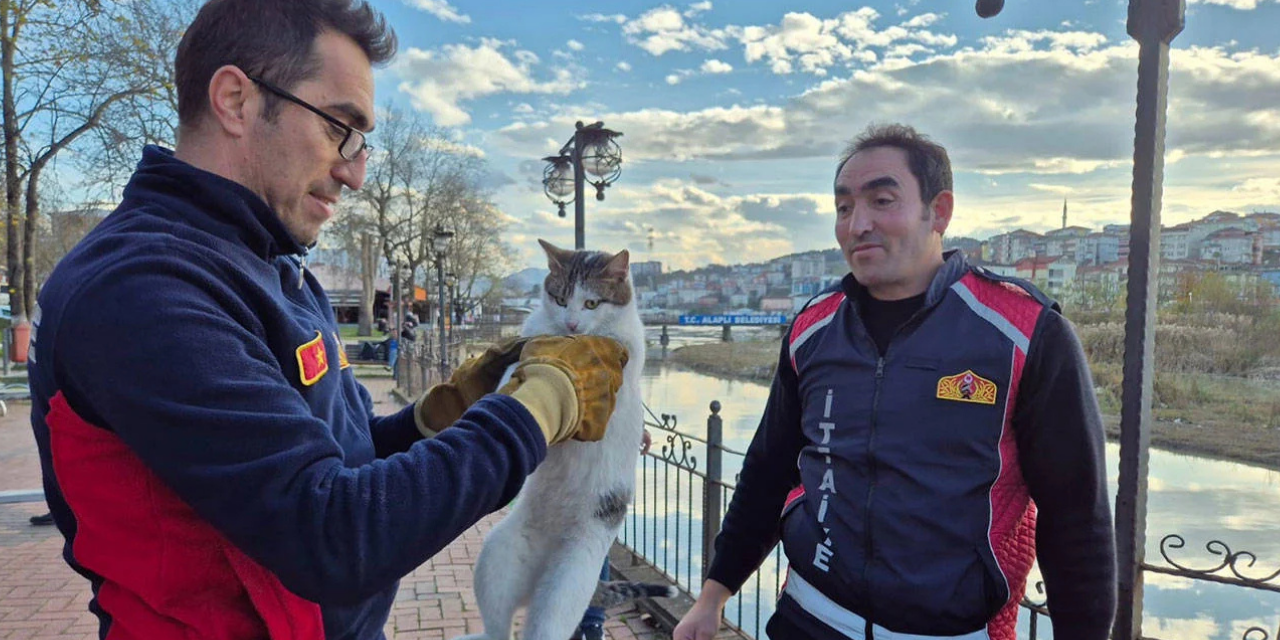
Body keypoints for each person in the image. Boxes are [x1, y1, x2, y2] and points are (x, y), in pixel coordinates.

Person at [26, 2, 627, 639]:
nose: (356, 171)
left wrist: (441, 416)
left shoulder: (272, 265)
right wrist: (541, 405)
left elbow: (343, 459)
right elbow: (333, 535)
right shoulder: (142, 287)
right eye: (339, 128)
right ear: (236, 100)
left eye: (362, 141)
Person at [673, 124, 1116, 640]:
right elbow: (769, 470)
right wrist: (713, 595)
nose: (858, 224)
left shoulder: (1023, 332)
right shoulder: (813, 328)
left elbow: (1076, 519)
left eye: (882, 201)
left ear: (940, 211)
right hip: (807, 617)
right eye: (843, 208)